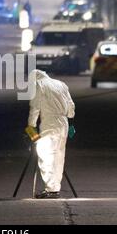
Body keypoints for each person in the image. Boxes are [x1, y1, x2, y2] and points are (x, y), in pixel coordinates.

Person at [27, 70, 76, 199]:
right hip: (64, 123)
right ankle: (55, 187)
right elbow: (71, 108)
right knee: (59, 156)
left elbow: (35, 108)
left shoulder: (39, 84)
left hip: (50, 124)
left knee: (46, 155)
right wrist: (67, 116)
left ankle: (51, 189)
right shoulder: (61, 84)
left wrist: (31, 127)